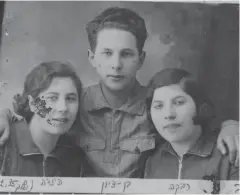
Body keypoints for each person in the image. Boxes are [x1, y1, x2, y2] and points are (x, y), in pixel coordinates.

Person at [0, 7, 239, 178]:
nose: (116, 65)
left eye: (126, 54)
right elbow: (29, 115)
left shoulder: (158, 107)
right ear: (92, 58)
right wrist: (3, 115)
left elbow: (203, 127)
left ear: (141, 59)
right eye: (106, 53)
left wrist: (231, 125)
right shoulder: (72, 105)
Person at [0, 61, 92, 177]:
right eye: (52, 98)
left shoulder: (76, 158)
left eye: (70, 98)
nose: (62, 108)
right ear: (33, 103)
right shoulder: (4, 145)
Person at [144, 68, 239, 180]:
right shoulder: (152, 161)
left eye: (179, 102)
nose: (169, 114)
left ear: (200, 106)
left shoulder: (231, 155)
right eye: (159, 106)